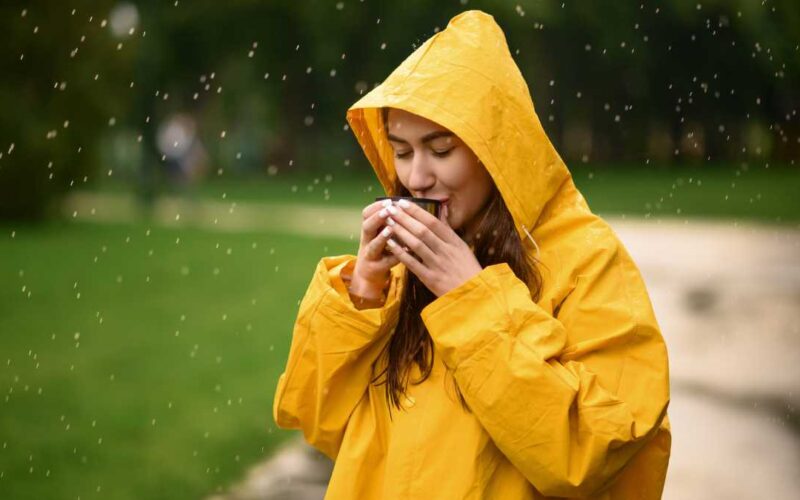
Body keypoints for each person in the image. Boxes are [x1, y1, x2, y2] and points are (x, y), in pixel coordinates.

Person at [273, 9, 671, 499]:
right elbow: (318, 421)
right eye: (401, 151)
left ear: (496, 150)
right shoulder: (397, 271)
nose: (417, 177)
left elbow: (593, 451)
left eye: (440, 150)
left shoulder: (587, 259)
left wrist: (471, 297)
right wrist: (362, 293)